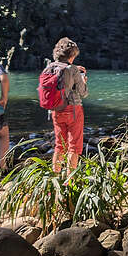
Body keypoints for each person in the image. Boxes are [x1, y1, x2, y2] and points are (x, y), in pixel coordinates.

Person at [44, 37, 89, 171]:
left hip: (56, 110)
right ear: (71, 55)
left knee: (60, 145)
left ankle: (55, 180)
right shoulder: (74, 70)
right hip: (73, 110)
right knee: (74, 147)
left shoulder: (49, 67)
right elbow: (83, 92)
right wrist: (83, 80)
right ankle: (70, 183)